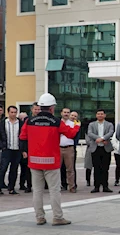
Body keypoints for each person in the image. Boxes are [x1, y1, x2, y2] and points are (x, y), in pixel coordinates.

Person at [20, 93, 78, 225]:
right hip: (51, 161)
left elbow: (23, 137)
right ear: (52, 108)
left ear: (40, 107)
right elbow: (71, 133)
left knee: (37, 190)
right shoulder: (56, 122)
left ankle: (39, 217)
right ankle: (57, 217)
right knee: (54, 190)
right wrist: (77, 125)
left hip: (34, 161)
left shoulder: (29, 121)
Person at [0, 106, 22, 195]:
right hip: (7, 149)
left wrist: (22, 148)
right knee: (3, 169)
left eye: (15, 112)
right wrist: (2, 146)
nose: (13, 114)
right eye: (12, 112)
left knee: (14, 170)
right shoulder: (3, 123)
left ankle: (11, 188)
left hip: (17, 150)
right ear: (8, 113)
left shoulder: (20, 123)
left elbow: (23, 136)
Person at [87, 109, 114, 193]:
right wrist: (98, 139)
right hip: (96, 148)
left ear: (105, 115)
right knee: (96, 168)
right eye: (98, 114)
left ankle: (105, 186)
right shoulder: (91, 124)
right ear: (96, 115)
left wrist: (102, 139)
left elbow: (111, 132)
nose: (100, 115)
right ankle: (96, 186)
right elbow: (90, 133)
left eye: (102, 114)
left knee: (105, 168)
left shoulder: (109, 124)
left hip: (106, 148)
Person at [58, 108, 79, 193]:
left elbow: (73, 135)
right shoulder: (57, 123)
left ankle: (72, 186)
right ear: (61, 113)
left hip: (69, 148)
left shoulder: (74, 124)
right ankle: (58, 186)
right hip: (58, 147)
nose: (66, 114)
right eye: (64, 112)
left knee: (70, 169)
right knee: (57, 169)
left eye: (68, 112)